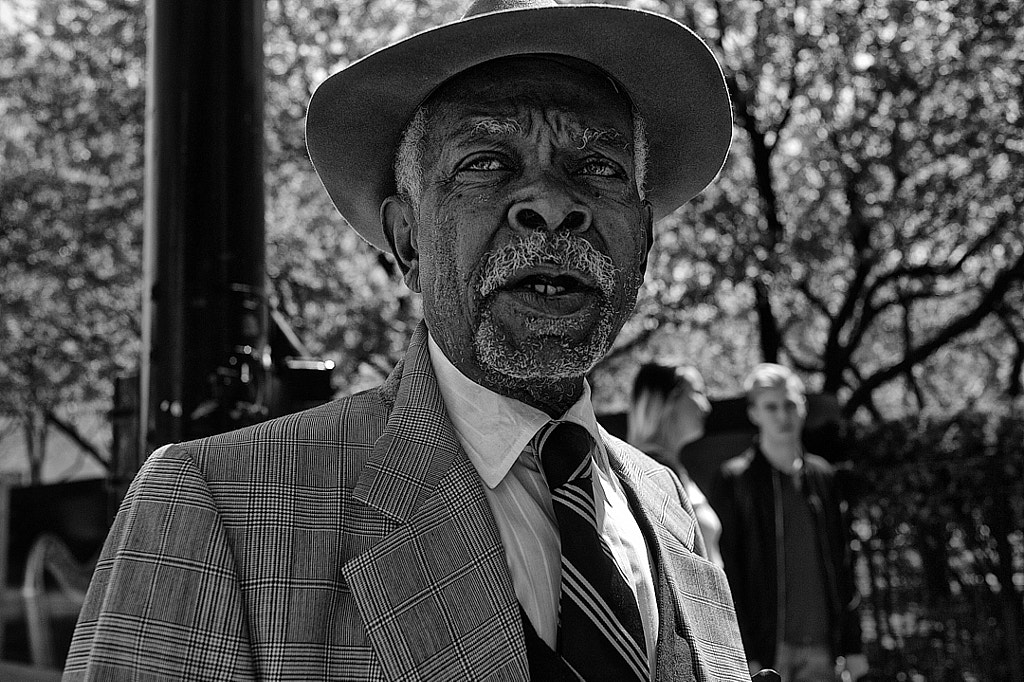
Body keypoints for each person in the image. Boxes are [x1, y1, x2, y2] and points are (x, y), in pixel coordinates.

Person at [65, 0, 755, 679]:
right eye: (486, 162)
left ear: (644, 240)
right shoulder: (217, 503)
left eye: (600, 166)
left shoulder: (670, 509)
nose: (551, 203)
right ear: (407, 241)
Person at [710, 363, 868, 681]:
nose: (783, 415)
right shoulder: (734, 480)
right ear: (754, 413)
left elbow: (844, 563)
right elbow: (727, 574)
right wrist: (745, 652)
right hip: (767, 654)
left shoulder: (823, 476)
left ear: (803, 407)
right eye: (771, 407)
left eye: (790, 405)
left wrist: (853, 644)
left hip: (824, 651)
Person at [627, 362, 723, 568]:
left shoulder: (666, 466)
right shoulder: (652, 471)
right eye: (698, 392)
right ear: (668, 400)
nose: (706, 406)